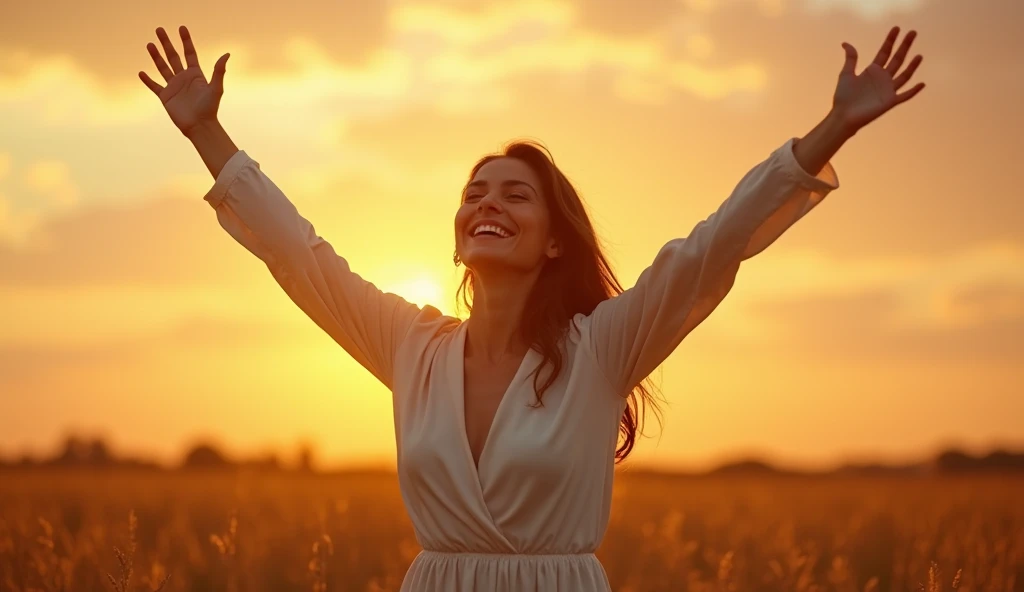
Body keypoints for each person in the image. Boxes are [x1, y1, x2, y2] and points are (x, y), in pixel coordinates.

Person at [139, 24, 924, 591]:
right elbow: (300, 256)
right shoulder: (410, 347)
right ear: (456, 237)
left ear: (554, 242)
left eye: (516, 195)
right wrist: (208, 132)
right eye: (474, 193)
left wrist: (831, 132)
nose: (487, 203)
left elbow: (713, 248)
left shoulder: (602, 349)